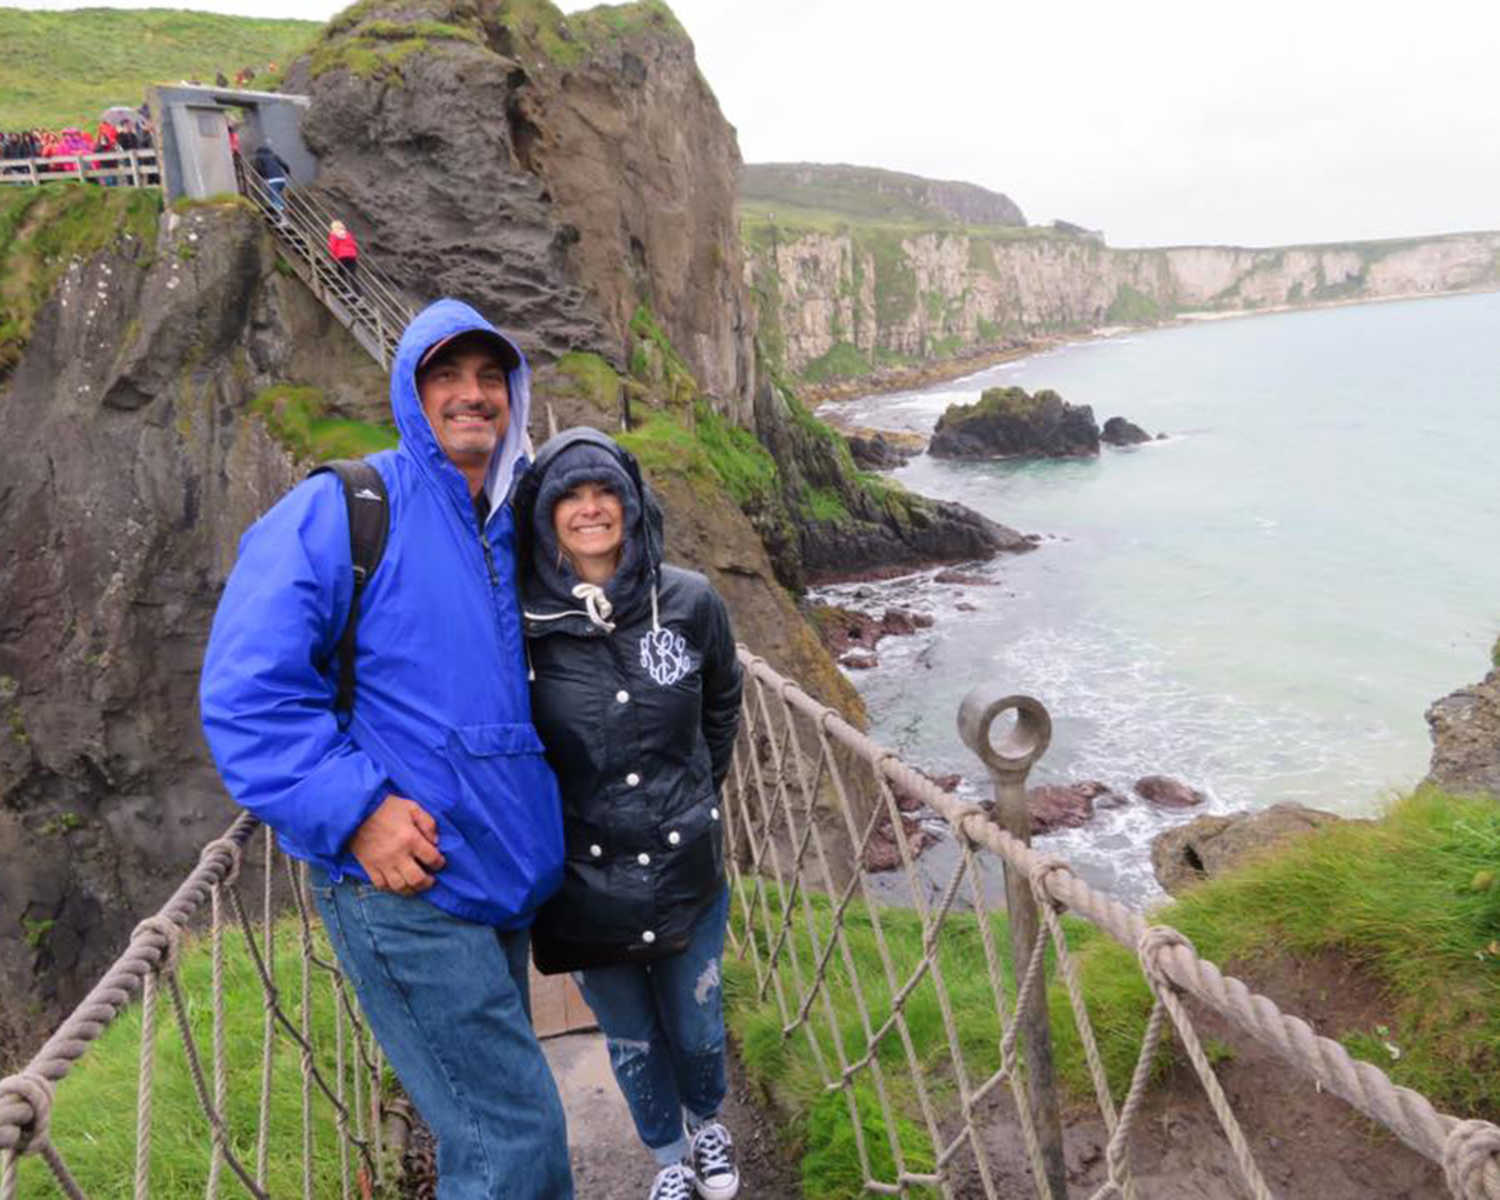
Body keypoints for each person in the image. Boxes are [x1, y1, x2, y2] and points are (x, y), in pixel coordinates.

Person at [200, 298, 573, 1199]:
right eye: (446, 376)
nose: (472, 395)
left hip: (493, 878)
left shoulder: (506, 528)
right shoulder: (344, 506)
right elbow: (247, 692)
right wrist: (359, 812)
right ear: (411, 391)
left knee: (491, 1129)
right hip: (405, 883)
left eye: (491, 378)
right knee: (510, 1141)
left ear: (514, 396)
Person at [514, 426, 745, 1200]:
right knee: (632, 1037)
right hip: (583, 881)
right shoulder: (518, 627)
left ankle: (709, 1123)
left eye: (604, 490)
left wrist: (696, 794)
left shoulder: (688, 601)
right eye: (569, 496)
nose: (589, 509)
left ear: (632, 502)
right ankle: (669, 1152)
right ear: (544, 516)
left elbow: (722, 698)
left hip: (686, 863)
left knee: (697, 1020)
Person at [250, 141, 291, 215]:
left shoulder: (260, 157)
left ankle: (281, 213)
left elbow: (260, 168)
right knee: (277, 195)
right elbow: (284, 164)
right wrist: (288, 171)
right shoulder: (274, 156)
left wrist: (263, 175)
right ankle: (283, 209)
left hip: (272, 180)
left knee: (274, 197)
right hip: (282, 179)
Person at [328, 219, 360, 296]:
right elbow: (353, 244)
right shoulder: (347, 234)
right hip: (352, 256)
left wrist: (334, 256)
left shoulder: (333, 235)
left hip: (342, 256)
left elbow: (332, 247)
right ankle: (358, 293)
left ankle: (346, 291)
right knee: (353, 274)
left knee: (341, 274)